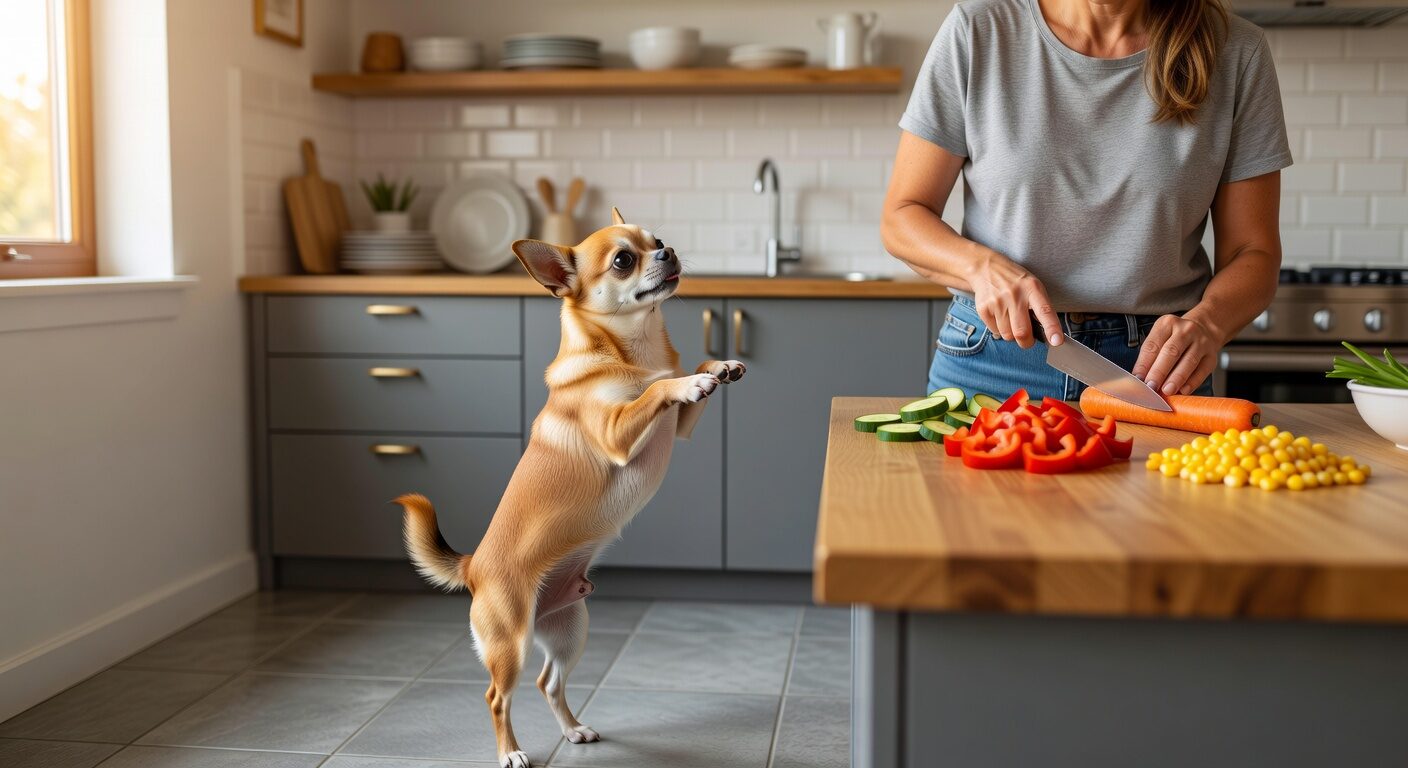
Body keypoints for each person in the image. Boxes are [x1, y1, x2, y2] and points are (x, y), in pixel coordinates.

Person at [882, 0, 1290, 400]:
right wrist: (980, 268)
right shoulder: (979, 30)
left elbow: (1252, 251)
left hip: (1158, 371)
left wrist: (1209, 324)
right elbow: (903, 216)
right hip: (994, 357)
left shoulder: (1237, 51)